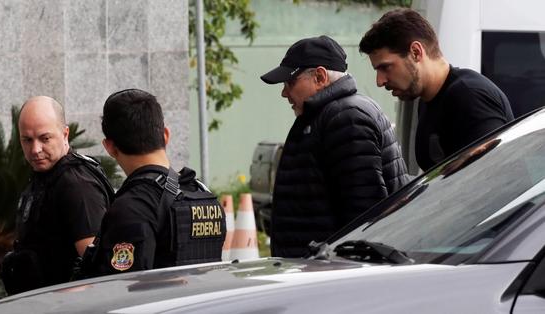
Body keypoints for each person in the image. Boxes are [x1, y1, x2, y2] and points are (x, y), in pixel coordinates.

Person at [260, 35, 410, 258]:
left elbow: (363, 215)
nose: (284, 93)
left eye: (290, 82)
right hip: (323, 270)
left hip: (332, 274)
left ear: (320, 76)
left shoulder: (345, 117)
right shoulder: (331, 115)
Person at [85, 89, 225, 276]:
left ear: (109, 147)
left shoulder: (132, 207)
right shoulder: (202, 194)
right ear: (166, 135)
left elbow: (120, 289)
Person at [359, 8, 514, 171]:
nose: (380, 81)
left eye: (385, 67)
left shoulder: (469, 96)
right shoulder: (427, 101)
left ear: (416, 52)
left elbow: (495, 177)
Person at [1, 96, 114, 294]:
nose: (35, 150)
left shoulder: (77, 185)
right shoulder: (45, 177)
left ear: (65, 134)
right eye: (27, 140)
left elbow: (97, 273)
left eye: (45, 138)